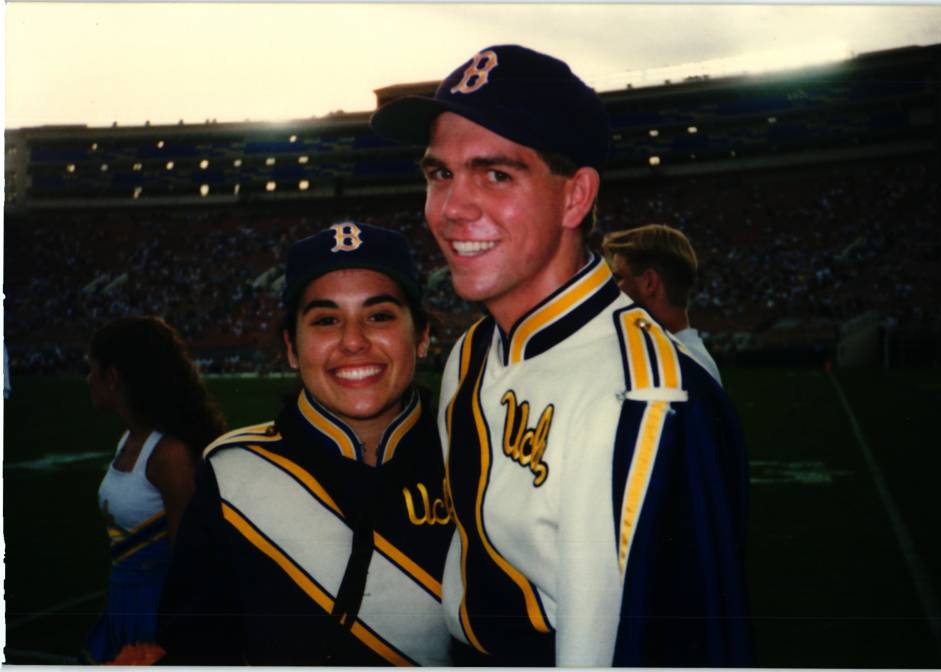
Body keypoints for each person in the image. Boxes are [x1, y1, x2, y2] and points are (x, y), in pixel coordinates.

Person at [372, 44, 752, 666]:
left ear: (575, 198)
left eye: (495, 174)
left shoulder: (646, 399)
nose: (451, 209)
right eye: (440, 174)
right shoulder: (473, 352)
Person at [156, 223, 454, 665]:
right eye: (326, 320)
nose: (353, 341)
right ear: (292, 347)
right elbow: (194, 648)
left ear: (423, 335)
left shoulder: (474, 463)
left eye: (379, 315)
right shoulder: (234, 473)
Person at [82, 316, 226, 664]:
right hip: (124, 602)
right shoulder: (129, 439)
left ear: (113, 378)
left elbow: (190, 562)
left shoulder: (170, 455)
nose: (87, 380)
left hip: (156, 610)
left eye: (92, 369)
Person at [602, 224, 723, 385]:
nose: (611, 288)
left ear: (649, 283)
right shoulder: (687, 362)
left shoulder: (678, 369)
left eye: (618, 278)